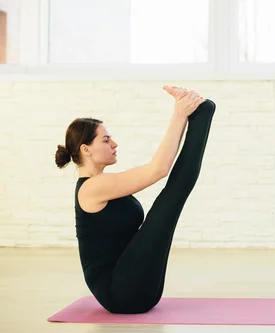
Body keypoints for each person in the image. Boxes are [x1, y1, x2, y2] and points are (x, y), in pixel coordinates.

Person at [54, 86, 216, 314]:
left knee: (172, 196)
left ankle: (198, 117)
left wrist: (183, 116)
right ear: (86, 149)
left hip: (134, 286)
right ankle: (200, 117)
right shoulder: (91, 188)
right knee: (173, 195)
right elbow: (158, 169)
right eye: (106, 140)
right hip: (120, 292)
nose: (114, 144)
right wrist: (179, 115)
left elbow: (161, 168)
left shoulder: (102, 184)